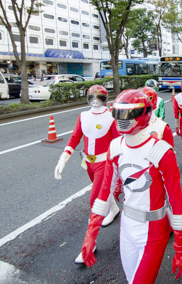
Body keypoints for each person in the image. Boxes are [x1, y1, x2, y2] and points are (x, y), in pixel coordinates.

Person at [80, 89, 182, 283]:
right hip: (126, 228)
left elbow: (176, 200)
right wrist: (91, 234)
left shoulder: (162, 151)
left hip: (154, 231)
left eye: (129, 114)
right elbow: (104, 193)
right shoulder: (115, 147)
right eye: (119, 114)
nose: (123, 119)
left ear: (145, 113)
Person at [54, 85, 121, 263]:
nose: (95, 100)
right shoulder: (83, 116)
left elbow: (117, 143)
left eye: (99, 97)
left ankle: (90, 244)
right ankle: (114, 208)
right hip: (88, 163)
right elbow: (75, 137)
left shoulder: (111, 117)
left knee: (95, 201)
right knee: (101, 195)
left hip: (104, 164)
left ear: (105, 99)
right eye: (92, 96)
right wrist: (64, 158)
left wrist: (117, 168)